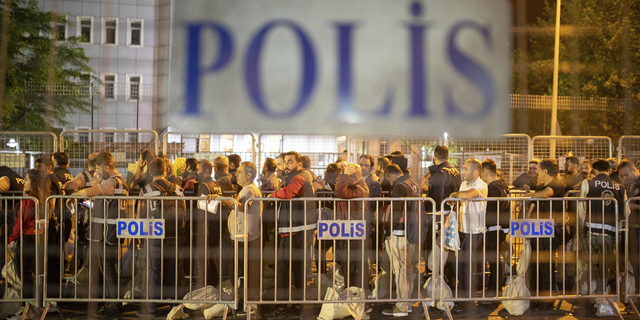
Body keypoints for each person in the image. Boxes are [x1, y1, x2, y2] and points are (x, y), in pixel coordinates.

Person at [69, 151, 129, 316]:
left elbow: (90, 193)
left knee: (109, 269)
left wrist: (75, 194)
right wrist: (84, 202)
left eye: (98, 169)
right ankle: (111, 304)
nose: (97, 172)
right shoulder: (115, 181)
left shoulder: (113, 182)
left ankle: (115, 306)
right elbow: (97, 204)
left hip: (107, 234)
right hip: (102, 233)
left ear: (106, 167)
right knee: (106, 269)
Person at [210, 162, 264, 316]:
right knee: (240, 272)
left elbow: (240, 206)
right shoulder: (247, 189)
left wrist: (220, 199)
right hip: (242, 237)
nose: (236, 175)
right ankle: (242, 302)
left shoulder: (250, 190)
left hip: (245, 239)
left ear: (248, 175)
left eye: (240, 172)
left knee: (241, 272)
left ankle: (243, 304)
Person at [138, 159, 186, 316]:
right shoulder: (178, 188)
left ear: (150, 172)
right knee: (173, 271)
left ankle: (151, 308)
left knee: (153, 271)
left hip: (154, 234)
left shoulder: (146, 190)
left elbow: (141, 215)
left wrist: (140, 238)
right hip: (174, 235)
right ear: (166, 171)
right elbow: (184, 211)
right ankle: (175, 305)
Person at [269, 151, 316, 310]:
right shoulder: (298, 176)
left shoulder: (299, 177)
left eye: (290, 162)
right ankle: (297, 303)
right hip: (297, 229)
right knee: (298, 268)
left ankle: (282, 304)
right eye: (285, 162)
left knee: (284, 267)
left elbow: (289, 193)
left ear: (299, 164)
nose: (287, 165)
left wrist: (272, 195)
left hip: (294, 230)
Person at [578, 159, 625, 307]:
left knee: (587, 261)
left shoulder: (587, 183)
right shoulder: (621, 187)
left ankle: (588, 293)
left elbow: (581, 209)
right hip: (610, 234)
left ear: (595, 171)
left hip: (591, 232)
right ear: (609, 170)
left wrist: (579, 229)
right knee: (604, 267)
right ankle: (600, 295)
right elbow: (626, 212)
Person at [380, 163, 423, 317]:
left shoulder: (399, 186)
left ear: (391, 176)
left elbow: (396, 211)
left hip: (399, 232)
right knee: (408, 270)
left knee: (400, 271)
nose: (390, 183)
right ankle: (407, 303)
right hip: (412, 232)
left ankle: (401, 306)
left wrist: (387, 230)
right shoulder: (412, 183)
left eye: (389, 180)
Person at [524, 158, 565, 311]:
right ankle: (535, 297)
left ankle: (547, 300)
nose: (536, 172)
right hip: (537, 227)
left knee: (546, 266)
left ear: (546, 171)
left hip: (548, 229)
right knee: (535, 264)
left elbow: (545, 195)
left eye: (539, 169)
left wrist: (525, 197)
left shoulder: (556, 183)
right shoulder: (542, 185)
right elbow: (535, 202)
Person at [448, 159, 487, 311]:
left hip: (475, 231)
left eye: (465, 169)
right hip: (462, 229)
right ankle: (463, 297)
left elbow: (468, 195)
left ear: (475, 172)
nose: (462, 171)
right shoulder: (463, 184)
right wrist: (454, 200)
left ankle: (468, 301)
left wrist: (454, 195)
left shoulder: (481, 185)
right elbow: (460, 198)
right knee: (458, 264)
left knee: (466, 265)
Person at [8, 170, 47, 303]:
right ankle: (31, 305)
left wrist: (11, 239)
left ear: (34, 183)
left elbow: (21, 223)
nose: (24, 182)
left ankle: (29, 306)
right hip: (33, 238)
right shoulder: (38, 199)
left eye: (27, 179)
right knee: (28, 273)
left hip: (27, 239)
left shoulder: (30, 201)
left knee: (25, 274)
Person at [333, 163, 369, 290]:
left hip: (353, 232)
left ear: (353, 177)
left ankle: (356, 297)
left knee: (353, 267)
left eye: (348, 176)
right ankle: (351, 294)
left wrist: (345, 175)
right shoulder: (354, 186)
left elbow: (339, 192)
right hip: (346, 230)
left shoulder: (360, 189)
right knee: (346, 265)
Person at [481, 159, 510, 298]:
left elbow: (490, 211)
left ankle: (494, 289)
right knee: (495, 259)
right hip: (500, 227)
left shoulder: (493, 188)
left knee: (493, 260)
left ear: (485, 172)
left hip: (494, 228)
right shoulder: (502, 186)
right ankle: (494, 287)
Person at [193, 159, 222, 289]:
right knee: (212, 258)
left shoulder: (203, 185)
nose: (195, 172)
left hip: (206, 227)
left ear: (206, 171)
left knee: (204, 259)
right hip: (216, 226)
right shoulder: (215, 184)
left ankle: (205, 287)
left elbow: (201, 208)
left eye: (198, 169)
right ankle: (213, 285)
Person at [618, 160, 640, 291]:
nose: (622, 178)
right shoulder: (628, 186)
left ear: (633, 171)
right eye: (621, 176)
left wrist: (632, 205)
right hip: (631, 228)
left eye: (625, 175)